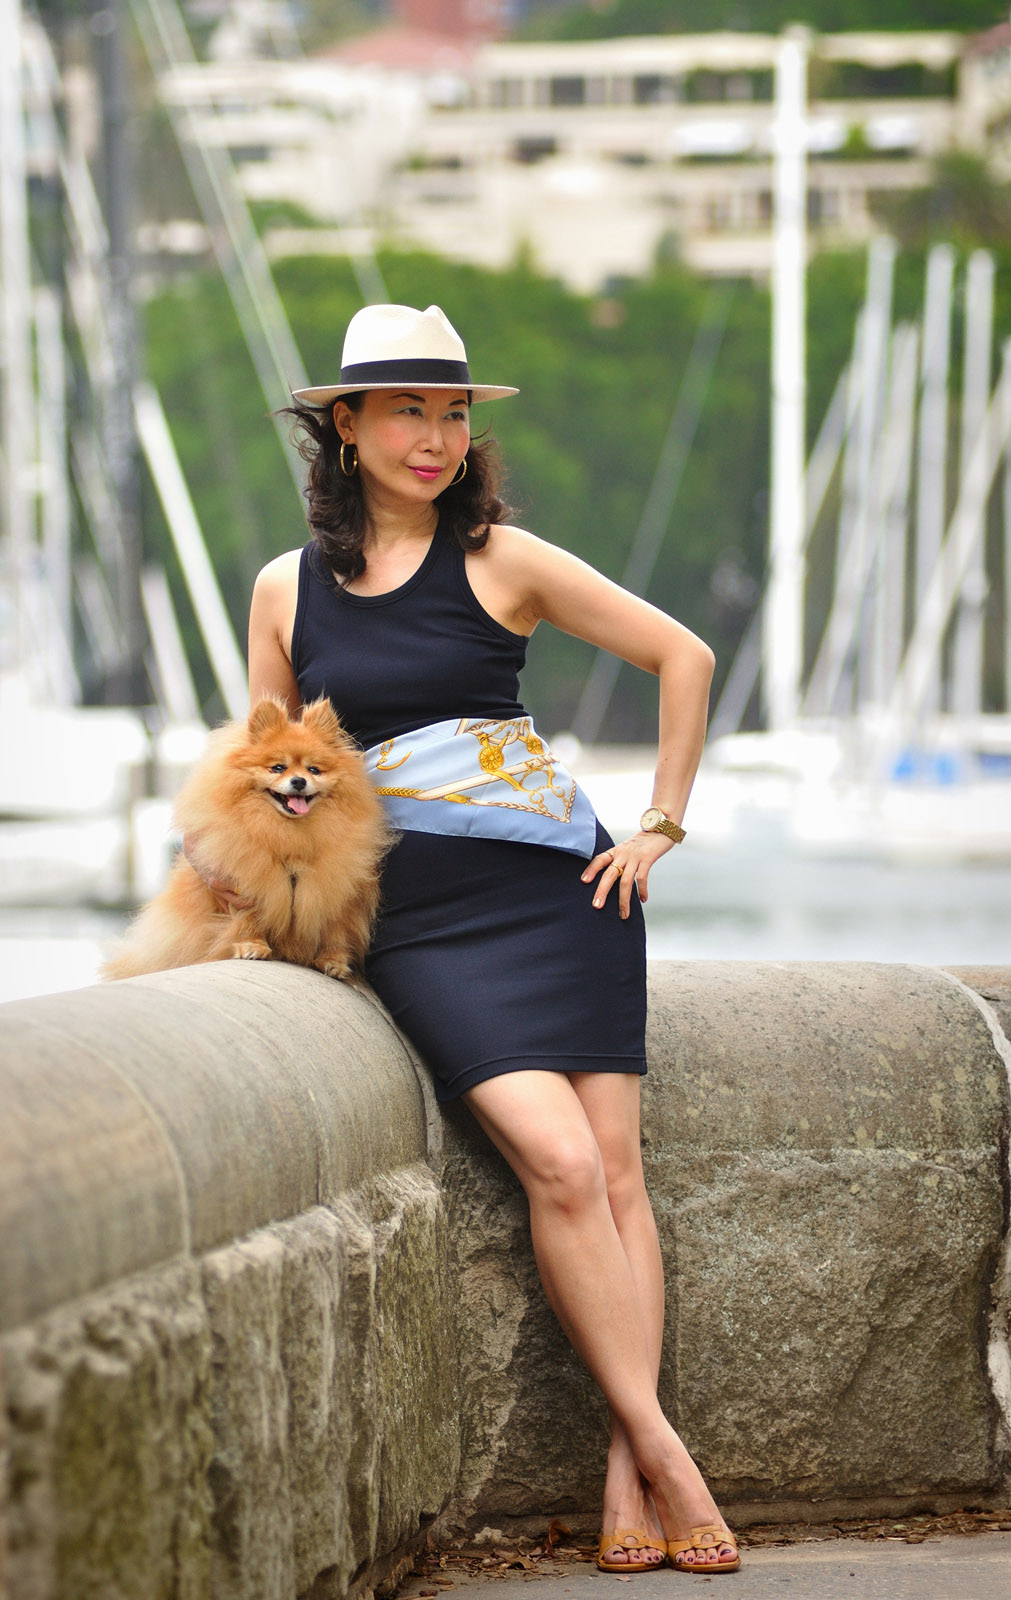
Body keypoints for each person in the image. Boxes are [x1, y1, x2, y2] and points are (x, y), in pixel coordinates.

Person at [242, 302, 739, 1575]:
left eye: (454, 412)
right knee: (561, 1163)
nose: (436, 435)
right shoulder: (284, 590)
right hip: (421, 927)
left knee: (616, 1175)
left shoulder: (505, 558)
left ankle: (632, 1477)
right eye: (408, 409)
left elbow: (683, 656)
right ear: (343, 425)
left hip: (567, 896)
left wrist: (659, 826)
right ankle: (670, 1447)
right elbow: (271, 774)